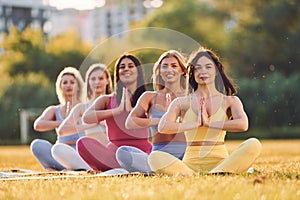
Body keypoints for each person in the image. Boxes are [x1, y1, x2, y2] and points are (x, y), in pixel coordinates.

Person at [148, 47, 262, 175]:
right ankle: (210, 174)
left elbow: (243, 124)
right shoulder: (182, 102)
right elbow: (163, 127)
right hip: (190, 165)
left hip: (221, 162)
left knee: (254, 144)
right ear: (192, 72)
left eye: (208, 67)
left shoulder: (230, 101)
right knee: (154, 157)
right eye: (198, 68)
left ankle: (217, 172)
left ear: (216, 71)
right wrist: (195, 124)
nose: (203, 71)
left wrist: (209, 123)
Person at [116, 50, 188, 173]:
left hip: (186, 155)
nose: (169, 69)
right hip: (158, 156)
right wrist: (160, 121)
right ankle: (163, 170)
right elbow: (130, 122)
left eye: (174, 66)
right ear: (159, 71)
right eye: (164, 66)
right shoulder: (149, 97)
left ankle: (170, 170)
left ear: (182, 71)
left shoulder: (190, 97)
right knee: (123, 153)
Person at [77, 53, 151, 171]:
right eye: (122, 67)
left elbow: (160, 119)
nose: (126, 68)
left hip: (143, 151)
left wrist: (133, 111)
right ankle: (125, 167)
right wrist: (117, 110)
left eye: (130, 66)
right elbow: (87, 117)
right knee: (83, 143)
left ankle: (130, 166)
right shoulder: (106, 100)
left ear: (138, 72)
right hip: (115, 152)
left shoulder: (148, 97)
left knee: (158, 154)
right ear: (117, 74)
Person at [52, 64, 113, 170]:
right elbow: (62, 131)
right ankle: (89, 168)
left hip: (111, 152)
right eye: (93, 79)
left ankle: (100, 167)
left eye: (101, 78)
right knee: (57, 149)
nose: (97, 82)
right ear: (88, 82)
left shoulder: (114, 103)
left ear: (107, 81)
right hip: (91, 155)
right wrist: (89, 125)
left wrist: (107, 123)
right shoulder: (82, 108)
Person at [30, 66, 84, 170]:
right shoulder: (55, 110)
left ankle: (73, 167)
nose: (68, 85)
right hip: (59, 152)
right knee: (36, 145)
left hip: (77, 151)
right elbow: (38, 125)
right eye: (65, 82)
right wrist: (63, 123)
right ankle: (67, 168)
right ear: (60, 86)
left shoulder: (83, 107)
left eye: (72, 82)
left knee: (67, 152)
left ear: (78, 86)